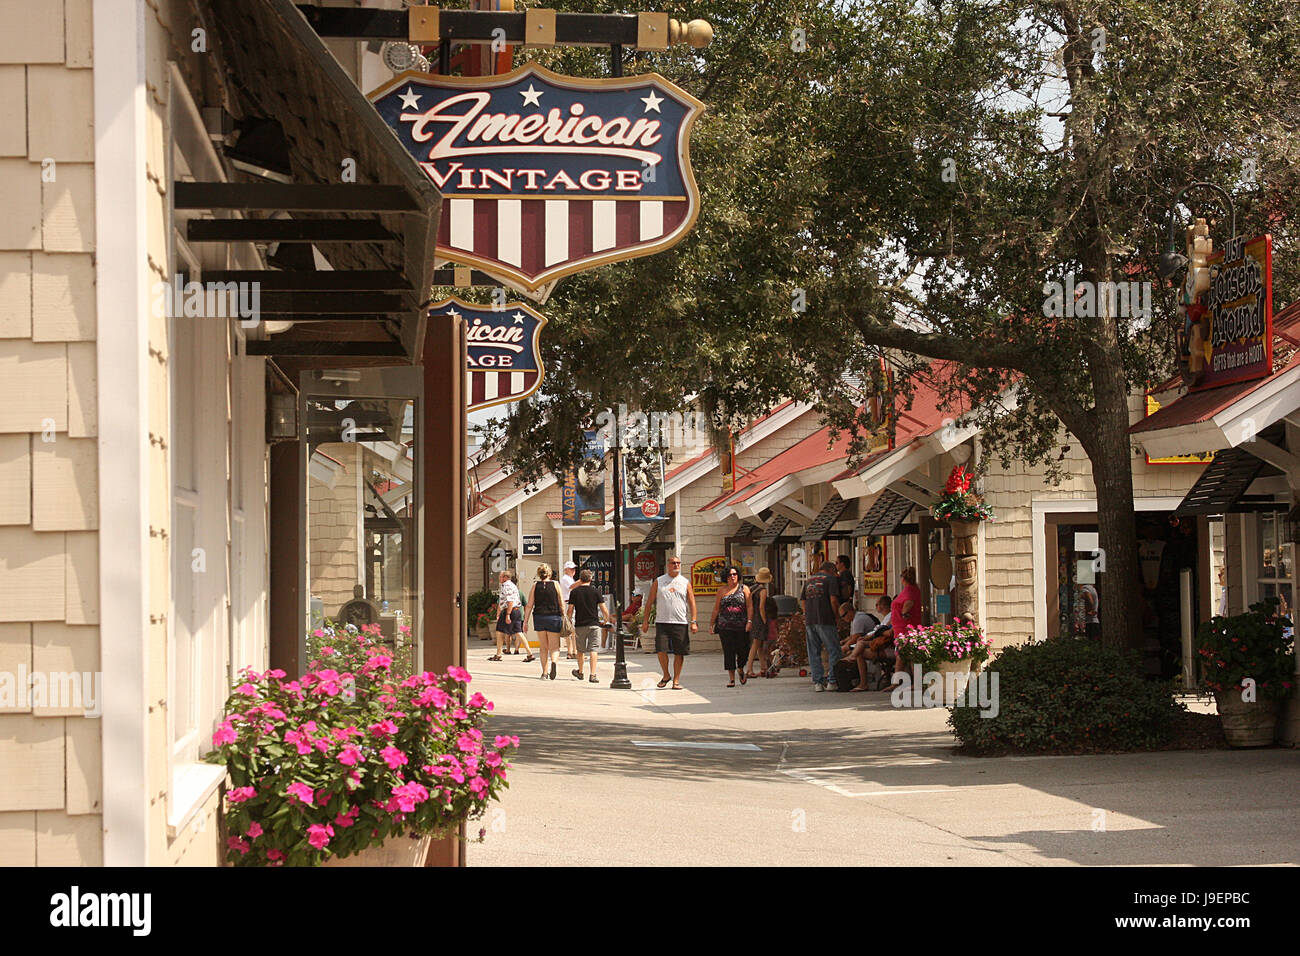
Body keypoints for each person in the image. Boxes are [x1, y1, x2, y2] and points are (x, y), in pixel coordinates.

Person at [641, 554, 697, 690]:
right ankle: (666, 675)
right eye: (673, 563)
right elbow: (650, 602)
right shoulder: (659, 581)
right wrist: (645, 621)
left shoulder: (685, 582)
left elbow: (692, 602)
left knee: (680, 652)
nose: (676, 565)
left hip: (680, 622)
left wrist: (694, 621)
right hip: (662, 621)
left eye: (678, 563)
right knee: (661, 650)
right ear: (668, 565)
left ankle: (676, 681)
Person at [801, 560, 842, 691]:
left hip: (810, 620)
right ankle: (832, 681)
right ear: (831, 570)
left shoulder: (809, 580)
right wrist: (836, 616)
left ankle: (818, 683)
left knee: (814, 651)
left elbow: (803, 600)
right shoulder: (831, 579)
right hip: (826, 619)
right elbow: (833, 600)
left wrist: (806, 614)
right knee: (834, 650)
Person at [710, 565, 752, 687]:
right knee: (729, 652)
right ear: (726, 577)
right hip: (725, 626)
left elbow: (749, 606)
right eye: (729, 575)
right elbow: (716, 608)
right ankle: (732, 679)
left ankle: (740, 668)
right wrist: (712, 623)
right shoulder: (722, 590)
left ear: (738, 575)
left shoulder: (744, 589)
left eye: (734, 574)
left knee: (743, 650)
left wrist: (749, 621)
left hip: (741, 625)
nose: (732, 577)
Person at [565, 569, 610, 683]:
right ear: (591, 579)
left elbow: (570, 610)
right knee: (593, 649)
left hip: (580, 624)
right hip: (594, 624)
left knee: (580, 650)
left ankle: (580, 672)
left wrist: (568, 620)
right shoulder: (596, 591)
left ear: (580, 579)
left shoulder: (574, 592)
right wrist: (606, 619)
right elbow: (604, 609)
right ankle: (593, 674)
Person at [522, 563, 565, 680]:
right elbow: (561, 603)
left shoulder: (535, 586)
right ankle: (554, 662)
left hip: (539, 618)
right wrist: (564, 616)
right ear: (549, 573)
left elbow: (529, 605)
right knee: (555, 647)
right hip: (554, 617)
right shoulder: (556, 585)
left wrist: (525, 621)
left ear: (539, 574)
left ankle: (544, 673)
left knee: (543, 647)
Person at [491, 570, 533, 662]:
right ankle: (529, 654)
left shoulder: (507, 586)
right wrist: (499, 614)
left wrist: (508, 615)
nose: (499, 578)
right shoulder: (512, 586)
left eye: (501, 576)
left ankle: (498, 654)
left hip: (510, 611)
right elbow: (502, 602)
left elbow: (510, 601)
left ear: (505, 577)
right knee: (518, 632)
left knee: (499, 631)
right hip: (516, 611)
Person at [744, 567, 779, 678]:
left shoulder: (752, 588)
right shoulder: (763, 590)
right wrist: (764, 621)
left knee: (758, 644)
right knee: (756, 644)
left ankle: (763, 668)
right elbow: (761, 607)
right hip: (759, 619)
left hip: (751, 617)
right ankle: (749, 669)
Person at [890, 567, 923, 675]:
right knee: (903, 654)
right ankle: (898, 681)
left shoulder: (909, 590)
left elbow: (909, 602)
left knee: (906, 653)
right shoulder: (912, 589)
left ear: (903, 579)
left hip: (905, 627)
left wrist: (904, 613)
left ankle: (902, 681)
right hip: (901, 627)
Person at [560, 561, 578, 659]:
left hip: (568, 603)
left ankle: (571, 651)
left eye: (574, 569)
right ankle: (573, 651)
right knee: (572, 628)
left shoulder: (569, 578)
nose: (573, 570)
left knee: (570, 628)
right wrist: (581, 582)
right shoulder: (566, 579)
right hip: (568, 603)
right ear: (566, 570)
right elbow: (571, 587)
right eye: (571, 569)